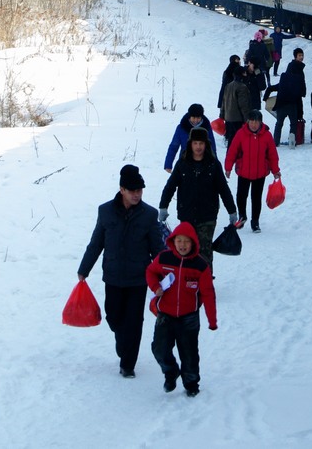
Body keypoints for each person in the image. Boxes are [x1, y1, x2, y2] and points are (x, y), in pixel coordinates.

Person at [77, 164, 164, 379]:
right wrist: (84, 269)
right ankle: (122, 342)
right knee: (114, 318)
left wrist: (166, 275)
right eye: (132, 190)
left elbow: (158, 250)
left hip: (138, 279)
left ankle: (128, 364)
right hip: (113, 277)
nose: (137, 194)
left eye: (140, 190)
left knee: (134, 322)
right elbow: (96, 243)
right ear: (122, 189)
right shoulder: (105, 211)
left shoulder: (149, 215)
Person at [145, 221, 217, 397]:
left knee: (189, 353)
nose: (182, 245)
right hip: (165, 315)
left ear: (193, 243)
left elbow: (208, 293)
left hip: (189, 317)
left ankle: (191, 383)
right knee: (159, 349)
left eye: (186, 241)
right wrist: (155, 287)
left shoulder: (201, 265)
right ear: (173, 241)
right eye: (179, 241)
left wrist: (212, 320)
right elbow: (150, 271)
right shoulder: (164, 258)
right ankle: (171, 371)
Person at [158, 127, 238, 269]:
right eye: (195, 143)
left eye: (201, 143)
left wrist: (232, 210)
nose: (198, 147)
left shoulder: (213, 164)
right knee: (186, 250)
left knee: (204, 252)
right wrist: (163, 206)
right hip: (186, 214)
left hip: (207, 216)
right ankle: (188, 283)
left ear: (206, 144)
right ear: (190, 144)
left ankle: (205, 284)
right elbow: (170, 186)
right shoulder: (182, 164)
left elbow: (223, 189)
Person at [224, 110, 281, 233]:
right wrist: (228, 167)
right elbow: (232, 151)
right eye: (252, 121)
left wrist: (275, 170)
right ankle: (242, 216)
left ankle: (255, 221)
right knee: (241, 195)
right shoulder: (240, 134)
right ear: (248, 121)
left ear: (261, 122)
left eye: (257, 122)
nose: (254, 124)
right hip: (243, 171)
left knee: (256, 198)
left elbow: (272, 155)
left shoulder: (267, 135)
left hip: (260, 173)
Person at [266, 56, 306, 147]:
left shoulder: (284, 78)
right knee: (293, 124)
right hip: (292, 105)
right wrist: (300, 112)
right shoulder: (297, 80)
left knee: (279, 124)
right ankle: (292, 140)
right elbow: (300, 95)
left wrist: (265, 98)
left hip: (281, 105)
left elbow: (273, 88)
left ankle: (275, 142)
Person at [164, 103, 217, 172]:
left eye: (198, 118)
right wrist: (168, 164)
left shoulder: (206, 128)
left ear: (201, 117)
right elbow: (174, 146)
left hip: (203, 162)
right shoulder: (181, 128)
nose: (195, 120)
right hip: (185, 161)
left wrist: (215, 164)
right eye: (193, 117)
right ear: (189, 116)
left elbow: (212, 147)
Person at [221, 66, 251, 147]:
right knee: (238, 141)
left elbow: (223, 101)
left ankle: (229, 157)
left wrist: (222, 114)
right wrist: (247, 119)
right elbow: (243, 105)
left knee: (231, 140)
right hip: (238, 118)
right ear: (242, 74)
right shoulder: (242, 87)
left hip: (228, 117)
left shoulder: (228, 85)